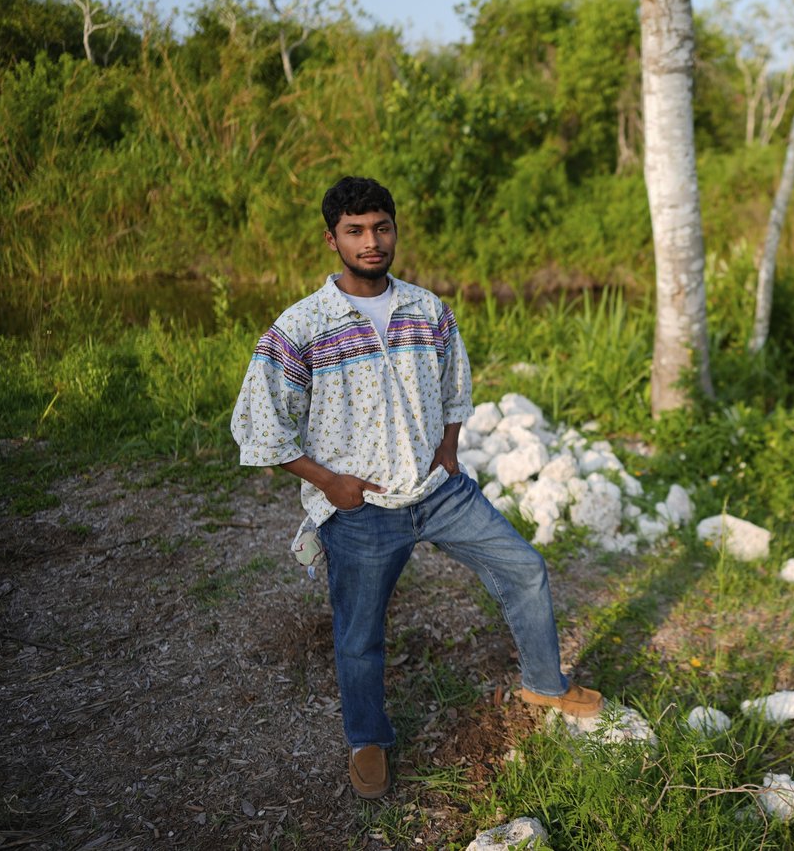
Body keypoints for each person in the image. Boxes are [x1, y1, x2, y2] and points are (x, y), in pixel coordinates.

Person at [231, 176, 601, 800]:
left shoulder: (428, 309)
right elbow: (257, 423)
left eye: (381, 227)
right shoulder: (303, 326)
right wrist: (330, 484)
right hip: (362, 507)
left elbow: (456, 383)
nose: (371, 242)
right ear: (332, 240)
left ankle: (544, 681)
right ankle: (367, 738)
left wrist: (449, 449)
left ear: (395, 230)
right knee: (360, 633)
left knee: (525, 568)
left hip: (437, 491)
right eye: (355, 231)